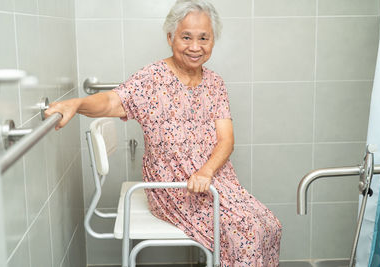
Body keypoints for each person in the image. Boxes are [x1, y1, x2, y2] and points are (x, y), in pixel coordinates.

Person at [45, 0, 282, 265]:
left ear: (213, 40)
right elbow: (112, 101)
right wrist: (77, 104)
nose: (195, 46)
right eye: (186, 37)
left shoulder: (215, 84)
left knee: (269, 225)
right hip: (173, 185)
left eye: (204, 38)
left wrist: (206, 172)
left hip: (214, 179)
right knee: (246, 231)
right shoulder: (152, 78)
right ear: (170, 37)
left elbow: (227, 141)